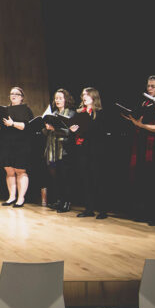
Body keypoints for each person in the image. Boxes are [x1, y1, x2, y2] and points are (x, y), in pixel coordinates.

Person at [121, 76, 155, 225]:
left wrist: (141, 125)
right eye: (148, 86)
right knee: (141, 176)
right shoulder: (145, 102)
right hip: (142, 140)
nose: (149, 88)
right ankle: (144, 211)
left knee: (153, 177)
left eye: (153, 86)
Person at [0, 87, 34, 207]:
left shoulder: (26, 110)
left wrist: (13, 124)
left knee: (20, 170)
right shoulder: (5, 110)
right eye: (11, 93)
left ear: (22, 97)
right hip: (7, 142)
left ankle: (21, 198)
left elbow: (26, 126)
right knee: (9, 170)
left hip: (21, 143)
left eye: (17, 94)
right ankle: (11, 197)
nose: (14, 95)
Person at [73, 87, 109, 219]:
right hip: (83, 149)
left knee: (97, 179)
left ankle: (103, 210)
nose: (84, 97)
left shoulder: (99, 113)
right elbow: (77, 132)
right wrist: (73, 129)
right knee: (86, 179)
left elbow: (100, 133)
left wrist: (85, 126)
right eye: (83, 94)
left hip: (96, 150)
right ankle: (89, 208)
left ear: (93, 96)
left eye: (87, 95)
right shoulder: (79, 112)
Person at [42, 89, 76, 213]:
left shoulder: (71, 114)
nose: (58, 101)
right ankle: (59, 200)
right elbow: (45, 132)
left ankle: (67, 202)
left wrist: (54, 129)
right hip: (52, 149)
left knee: (65, 177)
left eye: (60, 98)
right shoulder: (53, 113)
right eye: (56, 98)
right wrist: (46, 128)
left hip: (63, 149)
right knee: (56, 178)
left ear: (66, 99)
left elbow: (69, 132)